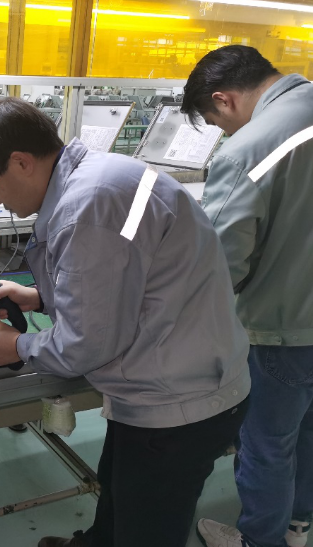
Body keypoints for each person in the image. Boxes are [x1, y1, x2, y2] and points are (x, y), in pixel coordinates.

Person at [0, 98, 250, 547]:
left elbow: (86, 345)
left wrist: (15, 346)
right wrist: (40, 297)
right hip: (178, 372)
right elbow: (126, 278)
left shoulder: (88, 208)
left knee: (146, 527)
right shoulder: (102, 173)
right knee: (118, 489)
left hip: (178, 403)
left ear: (21, 163)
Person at [180, 45, 313, 547]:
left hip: (281, 330)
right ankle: (298, 526)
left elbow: (219, 266)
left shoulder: (248, 150)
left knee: (267, 446)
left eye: (218, 123)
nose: (225, 133)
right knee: (309, 433)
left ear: (225, 99)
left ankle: (260, 540)